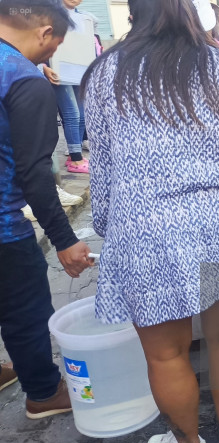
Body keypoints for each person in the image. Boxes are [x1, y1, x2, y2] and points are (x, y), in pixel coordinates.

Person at [82, 0, 219, 443]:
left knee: (165, 354)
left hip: (146, 228)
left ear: (132, 13)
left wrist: (114, 228)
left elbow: (102, 175)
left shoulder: (105, 74)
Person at [0, 0, 93, 420]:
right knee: (25, 310)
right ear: (43, 32)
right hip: (3, 230)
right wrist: (65, 240)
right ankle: (42, 392)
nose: (51, 55)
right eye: (55, 44)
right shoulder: (23, 79)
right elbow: (36, 172)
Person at [41, 0, 93, 174]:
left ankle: (75, 153)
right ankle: (75, 160)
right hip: (58, 71)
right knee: (72, 114)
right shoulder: (49, 14)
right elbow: (41, 42)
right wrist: (43, 66)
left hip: (79, 72)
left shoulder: (84, 19)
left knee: (81, 115)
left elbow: (85, 46)